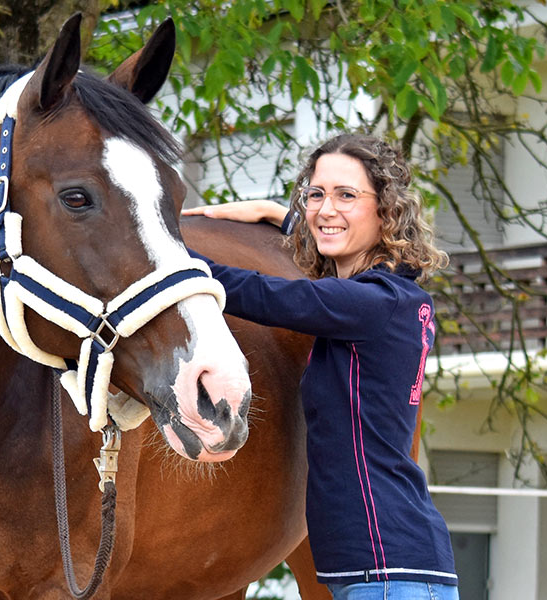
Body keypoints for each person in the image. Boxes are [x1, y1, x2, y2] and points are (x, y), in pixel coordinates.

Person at [182, 134, 458, 600]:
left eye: (346, 195)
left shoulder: (376, 302)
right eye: (316, 195)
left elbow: (267, 295)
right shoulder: (395, 299)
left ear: (386, 210)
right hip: (381, 570)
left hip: (390, 576)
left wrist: (152, 253)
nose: (326, 209)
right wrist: (281, 215)